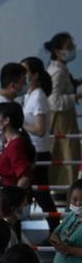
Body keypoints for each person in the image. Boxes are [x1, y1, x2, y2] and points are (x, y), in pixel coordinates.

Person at [21, 57, 58, 230]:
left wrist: (19, 123)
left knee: (41, 194)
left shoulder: (39, 97)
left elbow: (40, 129)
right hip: (31, 150)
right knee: (36, 192)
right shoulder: (29, 94)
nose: (22, 75)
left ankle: (55, 229)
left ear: (35, 75)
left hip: (39, 152)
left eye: (25, 71)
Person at [45, 32, 80, 187]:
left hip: (65, 118)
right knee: (67, 156)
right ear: (58, 51)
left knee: (69, 155)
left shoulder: (60, 68)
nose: (73, 49)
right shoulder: (57, 72)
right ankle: (66, 191)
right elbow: (54, 100)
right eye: (69, 47)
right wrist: (76, 96)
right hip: (61, 119)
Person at [0, 63, 28, 164]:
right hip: (2, 167)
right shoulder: (4, 107)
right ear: (12, 85)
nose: (26, 86)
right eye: (23, 83)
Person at [0, 102, 35, 198]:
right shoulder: (8, 143)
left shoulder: (15, 145)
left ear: (6, 121)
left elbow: (24, 177)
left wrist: (14, 200)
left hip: (12, 202)